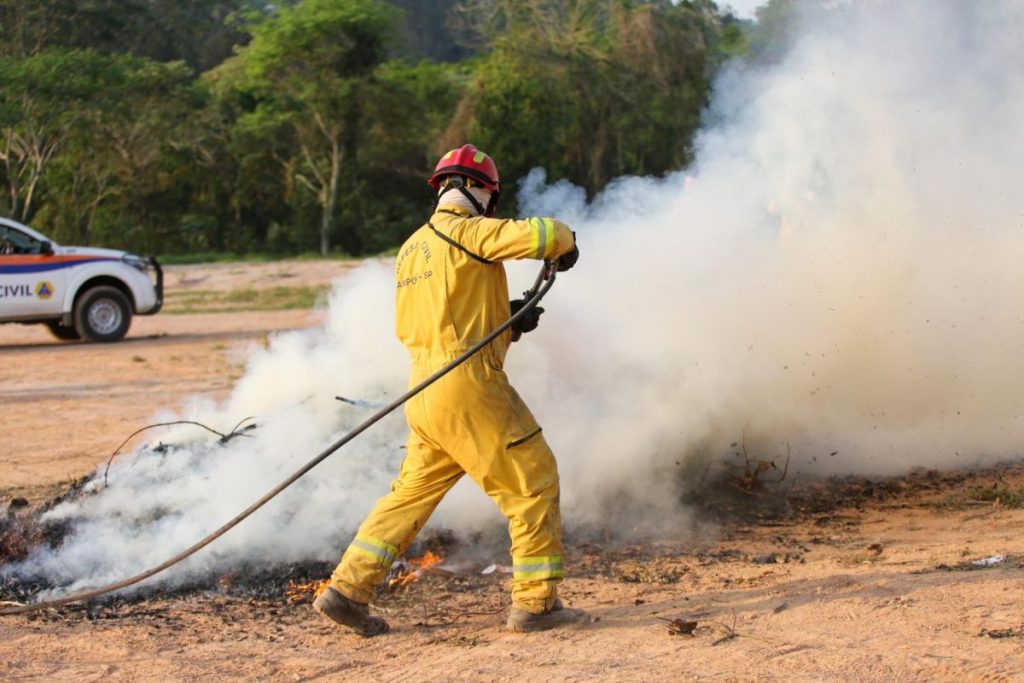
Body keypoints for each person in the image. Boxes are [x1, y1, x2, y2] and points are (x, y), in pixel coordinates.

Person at [314, 144, 583, 636]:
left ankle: (347, 590)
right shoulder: (468, 231)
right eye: (489, 196)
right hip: (468, 386)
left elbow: (448, 315)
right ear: (480, 190)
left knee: (410, 495)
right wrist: (565, 245)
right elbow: (551, 233)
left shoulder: (412, 248)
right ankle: (536, 605)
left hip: (424, 389)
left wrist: (508, 322)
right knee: (534, 480)